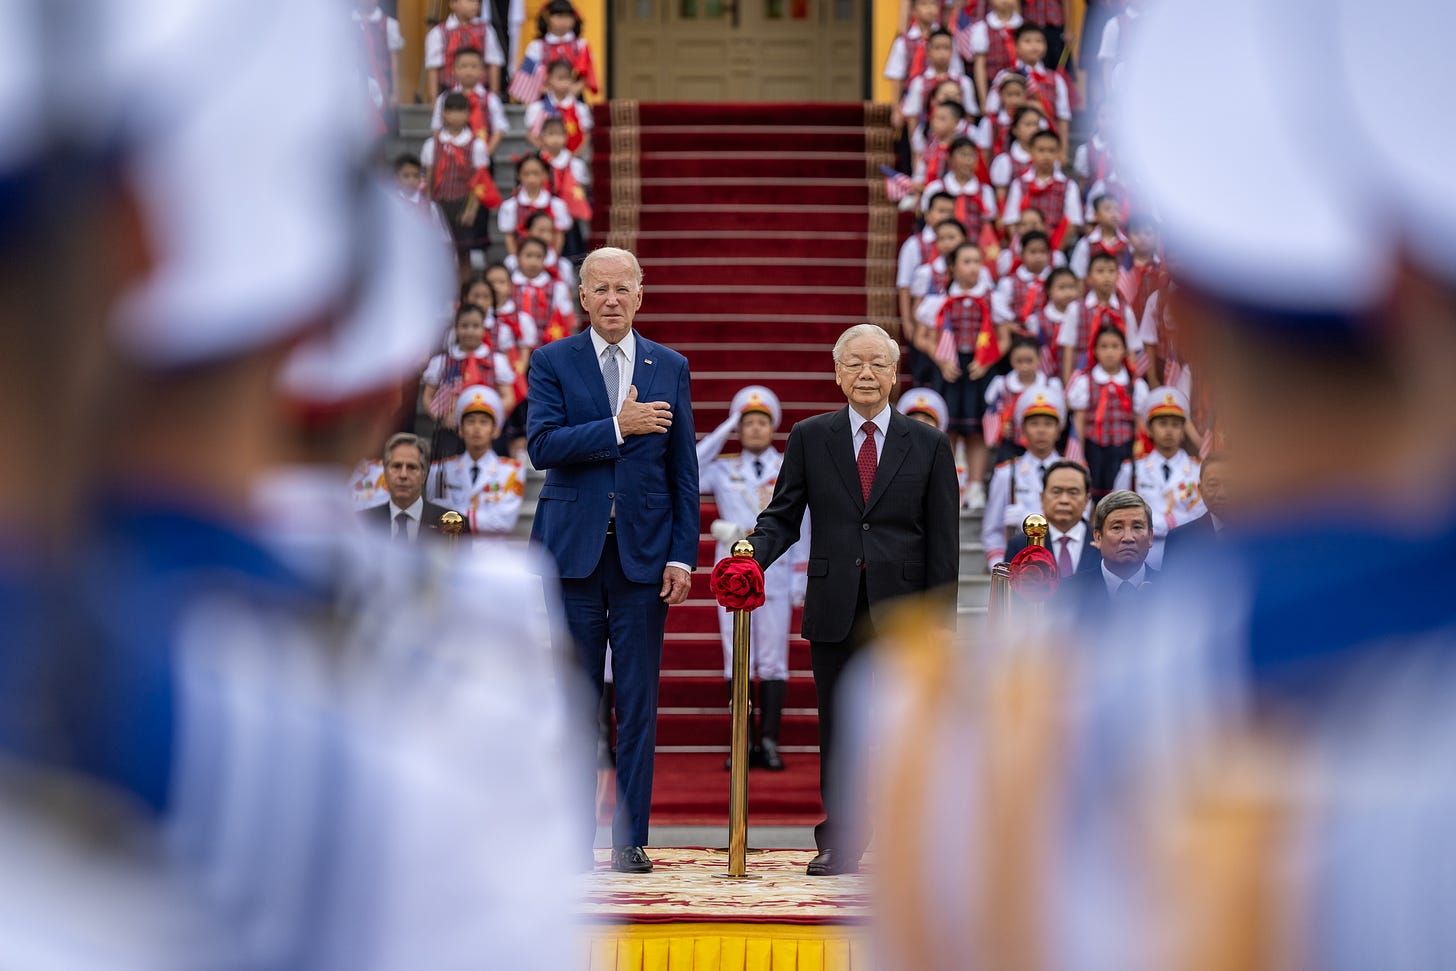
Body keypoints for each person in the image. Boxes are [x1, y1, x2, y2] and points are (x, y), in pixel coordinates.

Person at [748, 324, 960, 876]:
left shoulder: (931, 444)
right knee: (839, 732)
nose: (866, 374)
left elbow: (943, 539)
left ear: (894, 373)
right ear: (837, 373)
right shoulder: (810, 437)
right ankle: (840, 839)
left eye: (877, 364)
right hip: (835, 606)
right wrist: (750, 555)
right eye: (855, 364)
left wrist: (940, 618)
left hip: (906, 611)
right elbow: (783, 515)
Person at [527, 246, 699, 875]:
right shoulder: (551, 361)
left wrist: (682, 556)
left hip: (643, 562)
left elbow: (684, 471)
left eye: (622, 288)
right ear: (581, 296)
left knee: (638, 702)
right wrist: (618, 426)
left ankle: (630, 837)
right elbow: (542, 446)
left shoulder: (669, 365)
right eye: (599, 288)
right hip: (570, 558)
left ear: (640, 294)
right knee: (572, 703)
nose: (611, 299)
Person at [697, 385, 808, 772]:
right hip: (732, 573)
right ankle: (741, 741)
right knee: (736, 656)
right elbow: (689, 470)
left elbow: (804, 523)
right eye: (748, 423)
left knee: (773, 659)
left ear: (773, 427)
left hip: (775, 571)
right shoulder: (724, 467)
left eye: (762, 422)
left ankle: (769, 740)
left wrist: (800, 576)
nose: (755, 429)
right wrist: (726, 425)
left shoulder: (788, 467)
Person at [1113, 385, 1204, 569]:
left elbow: (1202, 514)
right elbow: (1117, 511)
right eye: (1162, 424)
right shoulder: (1132, 470)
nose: (1169, 430)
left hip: (1187, 553)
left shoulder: (1198, 470)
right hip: (1142, 557)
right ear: (1149, 429)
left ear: (1183, 430)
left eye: (1175, 424)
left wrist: (1166, 523)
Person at [982, 384, 1066, 567]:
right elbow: (992, 531)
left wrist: (1028, 520)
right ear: (1023, 429)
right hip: (1019, 568)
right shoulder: (1006, 473)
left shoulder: (1071, 473)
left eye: (1048, 424)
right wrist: (1001, 568)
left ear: (1059, 430)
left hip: (1062, 566)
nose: (1041, 430)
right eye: (1034, 424)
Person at [427, 385, 525, 534]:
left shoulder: (512, 471)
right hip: (452, 550)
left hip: (490, 554)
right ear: (460, 429)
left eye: (484, 422)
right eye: (470, 421)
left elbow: (503, 522)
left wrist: (459, 518)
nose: (477, 428)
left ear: (496, 430)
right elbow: (436, 516)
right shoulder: (440, 470)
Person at [1056, 489, 1156, 617]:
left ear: (1150, 537)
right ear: (1098, 538)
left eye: (1137, 527)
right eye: (1117, 528)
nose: (1128, 538)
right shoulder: (1068, 593)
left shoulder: (1173, 590)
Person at [359, 433, 467, 541]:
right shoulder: (363, 523)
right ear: (385, 474)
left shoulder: (453, 524)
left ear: (424, 475)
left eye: (411, 467)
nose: (403, 475)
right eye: (396, 466)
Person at [1004, 459, 1100, 575]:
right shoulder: (1020, 546)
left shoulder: (1103, 544)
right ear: (1042, 497)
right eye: (1056, 491)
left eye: (1073, 492)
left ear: (1087, 499)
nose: (1064, 500)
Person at [1161, 450, 1229, 571]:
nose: (1221, 494)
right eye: (1213, 485)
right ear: (1201, 489)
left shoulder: (1261, 536)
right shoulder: (1179, 541)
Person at [424, 0, 505, 100]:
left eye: (477, 2)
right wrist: (434, 100)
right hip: (450, 96)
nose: (475, 5)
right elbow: (433, 68)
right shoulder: (438, 32)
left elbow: (494, 63)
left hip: (480, 95)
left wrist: (493, 97)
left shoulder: (486, 30)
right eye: (470, 1)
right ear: (453, 4)